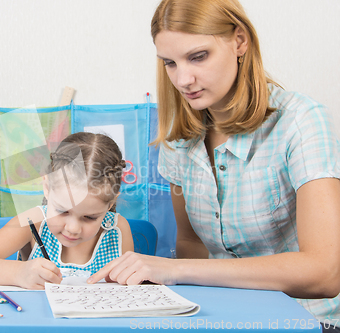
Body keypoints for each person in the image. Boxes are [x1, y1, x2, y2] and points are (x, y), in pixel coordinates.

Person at [88, 0, 340, 328]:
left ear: (240, 41)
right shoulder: (177, 142)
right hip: (225, 320)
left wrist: (173, 270)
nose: (183, 79)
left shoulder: (302, 121)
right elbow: (190, 243)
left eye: (198, 56)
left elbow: (326, 272)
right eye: (170, 63)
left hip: (306, 322)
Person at [0, 132, 134, 290]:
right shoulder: (34, 220)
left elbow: (124, 288)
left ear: (110, 203)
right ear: (47, 187)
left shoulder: (118, 229)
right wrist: (19, 273)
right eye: (62, 211)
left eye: (89, 217)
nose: (72, 228)